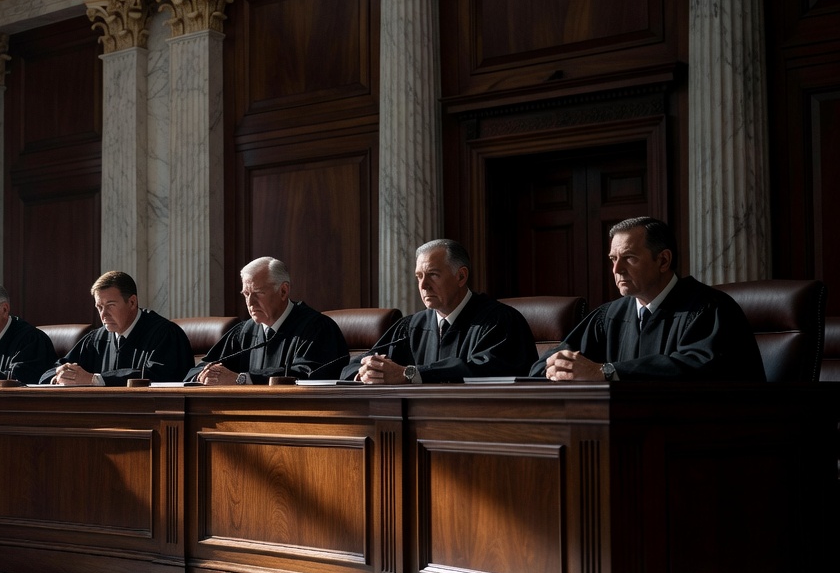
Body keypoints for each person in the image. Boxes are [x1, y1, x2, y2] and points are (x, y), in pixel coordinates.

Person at [532, 217, 763, 381]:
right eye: (613, 259)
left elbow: (696, 370)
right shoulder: (610, 316)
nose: (616, 269)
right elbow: (543, 364)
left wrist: (606, 372)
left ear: (663, 261)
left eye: (629, 258)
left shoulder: (709, 309)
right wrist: (559, 368)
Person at [343, 239, 537, 383]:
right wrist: (367, 371)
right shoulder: (410, 327)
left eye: (433, 275)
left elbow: (481, 372)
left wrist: (409, 374)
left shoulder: (500, 321)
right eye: (419, 276)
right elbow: (350, 368)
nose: (423, 285)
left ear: (461, 276)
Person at [188, 257, 348, 384]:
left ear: (283, 291)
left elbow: (306, 376)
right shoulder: (244, 332)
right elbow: (198, 370)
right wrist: (206, 376)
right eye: (246, 294)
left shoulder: (318, 329)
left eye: (258, 293)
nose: (250, 303)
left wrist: (243, 379)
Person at [39, 271, 193, 385]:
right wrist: (61, 375)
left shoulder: (165, 334)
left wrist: (95, 380)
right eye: (99, 307)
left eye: (110, 305)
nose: (103, 314)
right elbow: (49, 372)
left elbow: (159, 377)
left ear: (132, 302)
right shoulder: (97, 338)